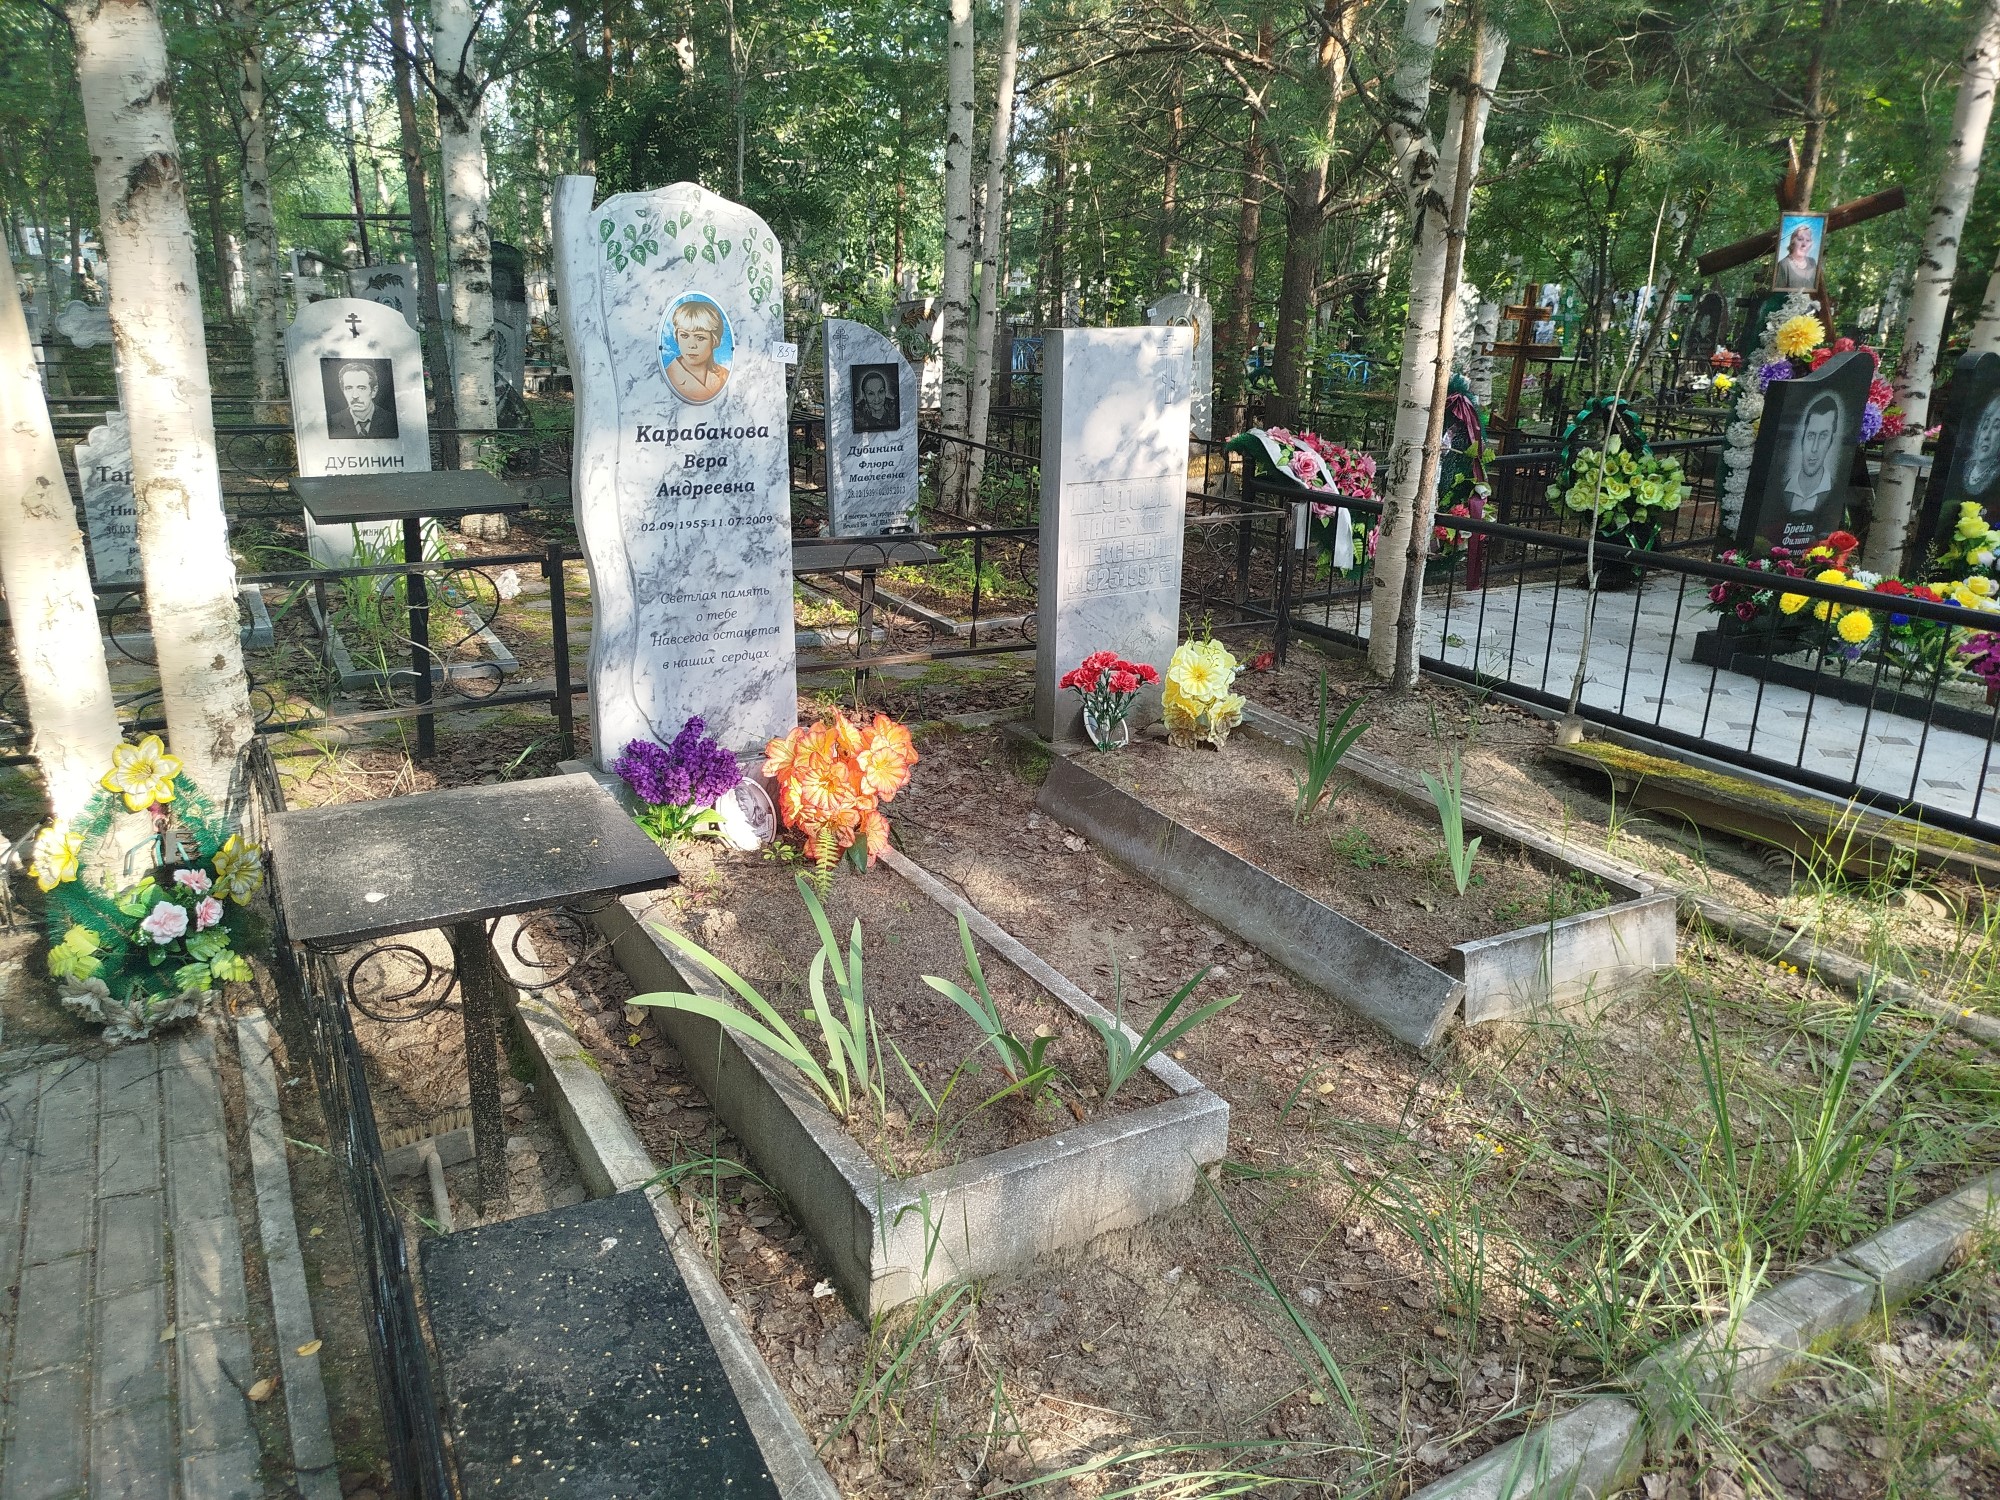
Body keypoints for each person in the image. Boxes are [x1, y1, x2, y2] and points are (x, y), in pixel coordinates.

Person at [1783, 393, 1843, 520]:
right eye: (1811, 436)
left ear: (1831, 440)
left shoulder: (1836, 492)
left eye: (1823, 436)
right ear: (1802, 438)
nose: (1814, 448)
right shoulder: (1780, 490)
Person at [664, 298, 729, 403]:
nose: (691, 345)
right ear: (677, 336)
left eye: (700, 338)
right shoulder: (668, 376)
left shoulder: (725, 376)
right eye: (684, 336)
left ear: (714, 340)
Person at [326, 362, 394, 440]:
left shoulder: (392, 421)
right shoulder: (332, 423)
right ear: (343, 391)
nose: (355, 396)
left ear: (374, 391)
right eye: (349, 388)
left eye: (361, 388)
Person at [1962, 393, 2000, 497]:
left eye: (1996, 427)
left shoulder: (1996, 478)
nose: (1986, 436)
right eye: (1985, 427)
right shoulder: (1963, 467)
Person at [1775, 222, 1820, 291]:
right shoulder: (1784, 264)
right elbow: (1778, 293)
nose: (1804, 244)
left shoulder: (1812, 262)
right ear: (1792, 242)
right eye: (1800, 239)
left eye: (1808, 240)